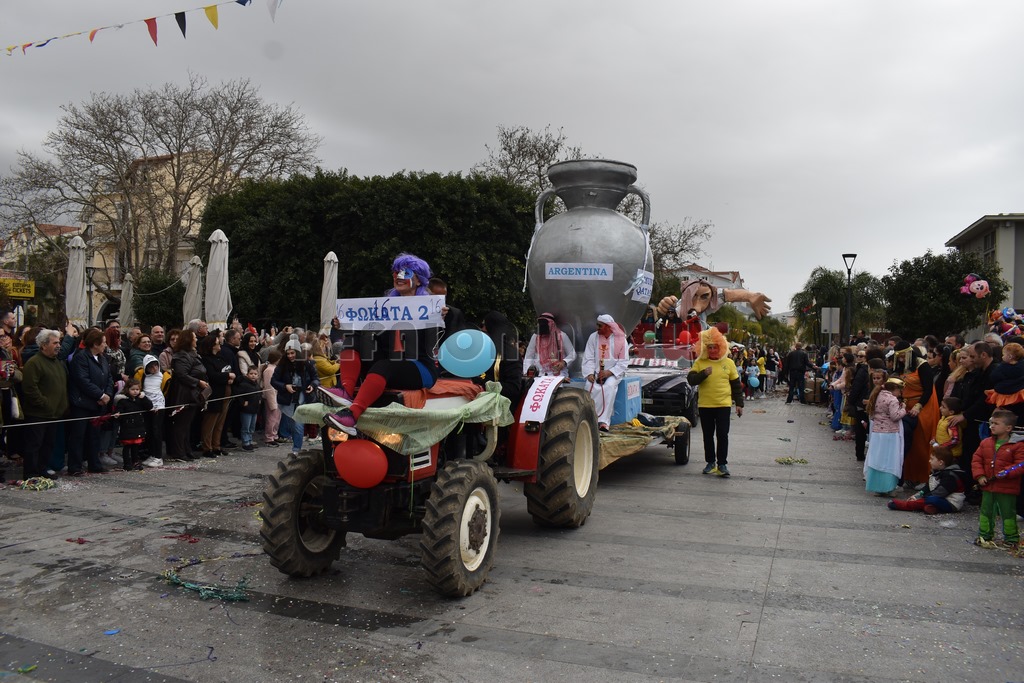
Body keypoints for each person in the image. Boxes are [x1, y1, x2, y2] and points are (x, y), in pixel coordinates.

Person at [333, 253, 442, 430]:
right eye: (395, 273)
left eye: (405, 273)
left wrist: (441, 317)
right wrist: (343, 323)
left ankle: (352, 415)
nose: (398, 277)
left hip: (420, 366)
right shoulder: (385, 307)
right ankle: (345, 391)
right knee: (355, 339)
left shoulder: (432, 308)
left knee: (385, 365)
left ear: (419, 280)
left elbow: (442, 335)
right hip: (390, 361)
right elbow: (365, 331)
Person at [686, 325, 742, 477]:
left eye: (715, 347)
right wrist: (703, 374)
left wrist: (739, 404)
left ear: (721, 347)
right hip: (705, 405)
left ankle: (722, 464)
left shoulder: (729, 363)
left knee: (722, 435)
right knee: (708, 435)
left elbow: (736, 385)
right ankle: (710, 463)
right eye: (709, 347)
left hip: (723, 405)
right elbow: (691, 380)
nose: (712, 350)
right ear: (705, 348)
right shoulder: (700, 362)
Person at [19, 329, 69, 479]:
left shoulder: (57, 362)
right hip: (38, 413)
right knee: (34, 445)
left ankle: (42, 470)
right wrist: (44, 403)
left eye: (59, 342)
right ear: (44, 345)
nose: (58, 346)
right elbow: (30, 388)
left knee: (48, 444)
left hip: (54, 413)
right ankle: (31, 474)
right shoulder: (34, 363)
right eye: (55, 343)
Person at [971, 409, 1024, 549]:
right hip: (988, 485)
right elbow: (976, 460)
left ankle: (1011, 538)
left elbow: (1021, 464)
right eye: (991, 423)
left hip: (1007, 487)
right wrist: (980, 475)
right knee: (986, 511)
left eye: (996, 423)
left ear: (1008, 428)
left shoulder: (1017, 445)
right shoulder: (985, 443)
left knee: (1008, 513)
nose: (992, 426)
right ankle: (984, 535)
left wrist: (1007, 472)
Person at [66, 327, 115, 475]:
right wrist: (100, 395)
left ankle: (94, 464)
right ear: (95, 343)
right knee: (78, 436)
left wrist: (107, 394)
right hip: (82, 403)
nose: (105, 345)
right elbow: (83, 380)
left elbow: (109, 378)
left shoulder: (103, 358)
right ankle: (75, 466)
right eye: (103, 342)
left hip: (97, 404)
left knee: (94, 436)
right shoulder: (81, 357)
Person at [892, 340, 940, 488]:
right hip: (906, 406)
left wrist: (919, 406)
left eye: (903, 356)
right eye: (898, 357)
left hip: (923, 406)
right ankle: (909, 476)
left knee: (921, 442)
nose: (901, 359)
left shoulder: (922, 365)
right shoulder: (901, 366)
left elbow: (928, 389)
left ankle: (923, 478)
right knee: (908, 443)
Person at [165, 330, 209, 462]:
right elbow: (182, 374)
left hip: (193, 393)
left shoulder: (192, 354)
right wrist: (198, 382)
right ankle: (178, 452)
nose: (196, 340)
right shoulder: (181, 356)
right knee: (181, 424)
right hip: (184, 394)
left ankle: (187, 449)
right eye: (195, 337)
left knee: (187, 424)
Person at [582, 314, 629, 432]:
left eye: (600, 326)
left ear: (608, 327)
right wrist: (589, 373)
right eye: (597, 325)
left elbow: (623, 362)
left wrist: (609, 372)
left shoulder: (621, 339)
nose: (597, 328)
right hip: (596, 372)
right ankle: (589, 419)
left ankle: (603, 422)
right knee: (589, 385)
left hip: (614, 373)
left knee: (608, 387)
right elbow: (588, 357)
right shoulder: (593, 337)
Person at [887, 445, 968, 514]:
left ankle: (906, 505)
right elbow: (928, 487)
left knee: (932, 499)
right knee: (930, 501)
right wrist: (916, 496)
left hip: (951, 503)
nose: (929, 461)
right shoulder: (937, 472)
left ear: (941, 462)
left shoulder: (950, 476)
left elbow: (939, 493)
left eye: (932, 459)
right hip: (941, 499)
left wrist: (920, 499)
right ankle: (932, 508)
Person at [272, 335, 317, 454]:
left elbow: (316, 379)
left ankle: (296, 450)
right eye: (288, 353)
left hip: (303, 398)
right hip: (288, 399)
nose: (290, 356)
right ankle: (295, 446)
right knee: (291, 424)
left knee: (298, 425)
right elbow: (274, 381)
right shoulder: (282, 365)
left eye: (292, 353)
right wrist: (285, 386)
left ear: (298, 352)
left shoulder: (307, 364)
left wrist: (312, 385)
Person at [865, 375, 906, 496]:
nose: (900, 393)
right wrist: (903, 409)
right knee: (889, 459)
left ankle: (877, 487)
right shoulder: (892, 399)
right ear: (895, 389)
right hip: (890, 434)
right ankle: (889, 487)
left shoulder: (877, 395)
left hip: (877, 432)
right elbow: (895, 416)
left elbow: (873, 414)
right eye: (900, 390)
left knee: (878, 458)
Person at [199, 332, 234, 458]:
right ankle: (207, 447)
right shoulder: (206, 359)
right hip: (215, 393)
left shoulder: (220, 357)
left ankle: (216, 445)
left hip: (225, 391)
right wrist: (227, 376)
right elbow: (212, 376)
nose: (220, 345)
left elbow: (227, 369)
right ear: (211, 346)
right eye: (217, 343)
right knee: (210, 421)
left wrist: (230, 378)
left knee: (220, 422)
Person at [481, 310, 524, 408]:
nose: (482, 330)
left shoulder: (511, 355)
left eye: (484, 326)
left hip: (500, 407)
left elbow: (513, 388)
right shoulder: (481, 351)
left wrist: (484, 385)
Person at [138, 355, 170, 468]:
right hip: (147, 406)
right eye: (151, 366)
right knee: (150, 431)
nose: (154, 368)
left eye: (156, 365)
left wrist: (157, 405)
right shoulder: (144, 376)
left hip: (158, 407)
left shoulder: (162, 375)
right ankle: (152, 454)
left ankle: (158, 457)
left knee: (157, 431)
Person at [113, 379, 152, 471]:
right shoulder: (123, 400)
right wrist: (117, 414)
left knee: (135, 446)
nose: (135, 391)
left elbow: (149, 406)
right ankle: (127, 464)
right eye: (133, 389)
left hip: (138, 426)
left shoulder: (140, 399)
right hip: (127, 427)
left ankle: (135, 462)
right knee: (127, 447)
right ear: (127, 389)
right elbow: (119, 411)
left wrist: (144, 398)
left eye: (137, 389)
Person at [523, 312, 576, 377]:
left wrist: (564, 362)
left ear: (551, 324)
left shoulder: (561, 336)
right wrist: (527, 373)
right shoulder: (535, 337)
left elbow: (572, 354)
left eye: (544, 324)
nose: (542, 326)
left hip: (559, 374)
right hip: (540, 374)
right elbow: (529, 356)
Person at [235, 365, 262, 451]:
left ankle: (250, 441)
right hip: (246, 410)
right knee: (246, 427)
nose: (253, 375)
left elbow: (259, 393)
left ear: (258, 375)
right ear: (247, 374)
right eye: (251, 373)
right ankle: (245, 443)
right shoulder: (243, 384)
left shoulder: (257, 385)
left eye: (255, 374)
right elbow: (238, 395)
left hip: (254, 409)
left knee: (252, 427)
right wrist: (243, 402)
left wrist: (259, 399)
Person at [262, 349, 284, 447]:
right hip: (272, 397)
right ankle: (269, 437)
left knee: (277, 418)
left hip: (278, 396)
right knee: (271, 418)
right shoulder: (269, 370)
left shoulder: (275, 368)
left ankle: (274, 435)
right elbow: (269, 387)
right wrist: (272, 402)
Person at [933, 396, 963, 462]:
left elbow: (955, 440)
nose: (940, 408)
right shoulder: (943, 419)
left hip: (951, 455)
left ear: (951, 412)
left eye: (943, 407)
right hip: (944, 453)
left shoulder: (951, 423)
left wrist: (941, 447)